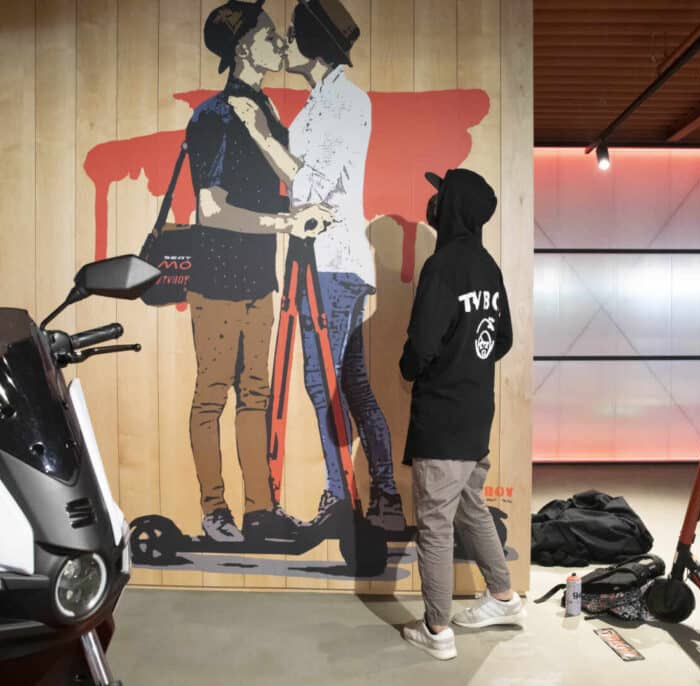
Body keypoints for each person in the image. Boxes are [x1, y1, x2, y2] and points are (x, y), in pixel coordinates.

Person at [229, 0, 405, 534]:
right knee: (349, 383)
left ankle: (343, 494)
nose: (285, 42)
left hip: (332, 264)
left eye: (292, 33)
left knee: (321, 380)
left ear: (314, 44)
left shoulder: (345, 102)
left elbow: (309, 187)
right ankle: (383, 497)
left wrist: (259, 133)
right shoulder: (317, 105)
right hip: (321, 263)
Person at [186, 0, 332, 543]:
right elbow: (211, 210)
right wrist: (286, 223)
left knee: (255, 396)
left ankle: (260, 510)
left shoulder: (263, 109)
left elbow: (292, 178)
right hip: (217, 282)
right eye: (270, 36)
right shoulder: (215, 116)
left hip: (256, 280)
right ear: (243, 48)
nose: (281, 44)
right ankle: (214, 510)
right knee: (212, 396)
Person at [400, 169, 524, 660]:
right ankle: (504, 597)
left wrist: (414, 367)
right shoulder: (488, 267)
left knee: (435, 523)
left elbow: (421, 347)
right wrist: (470, 361)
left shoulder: (442, 267)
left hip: (442, 418)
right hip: (476, 414)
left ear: (452, 206)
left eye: (440, 195)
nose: (433, 204)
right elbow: (503, 338)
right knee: (472, 508)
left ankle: (437, 629)